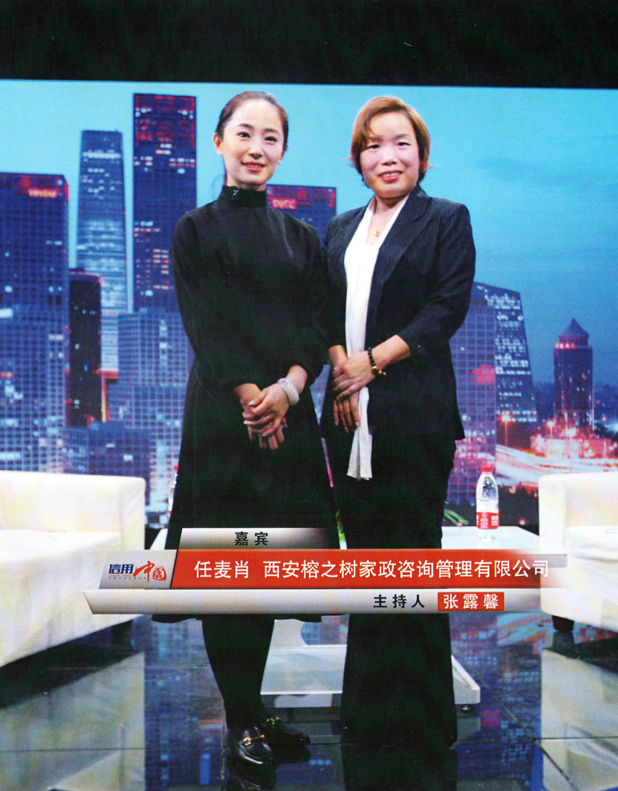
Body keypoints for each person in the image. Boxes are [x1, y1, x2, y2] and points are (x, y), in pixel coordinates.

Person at [165, 90, 336, 769]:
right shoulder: (194, 230)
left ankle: (256, 714)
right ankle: (240, 720)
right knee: (227, 570)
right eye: (244, 133)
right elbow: (205, 324)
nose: (256, 147)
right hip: (222, 416)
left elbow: (317, 324)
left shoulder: (302, 238)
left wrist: (288, 390)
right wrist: (250, 398)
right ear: (219, 142)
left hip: (288, 416)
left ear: (283, 151)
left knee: (267, 569)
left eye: (270, 137)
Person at [322, 96, 475, 749]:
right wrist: (341, 369)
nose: (388, 156)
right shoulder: (338, 229)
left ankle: (424, 721)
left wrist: (371, 364)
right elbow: (321, 309)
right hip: (346, 416)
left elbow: (446, 308)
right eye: (374, 145)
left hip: (414, 418)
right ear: (358, 159)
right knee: (366, 566)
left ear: (422, 155)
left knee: (412, 563)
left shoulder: (445, 219)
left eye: (401, 143)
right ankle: (366, 716)